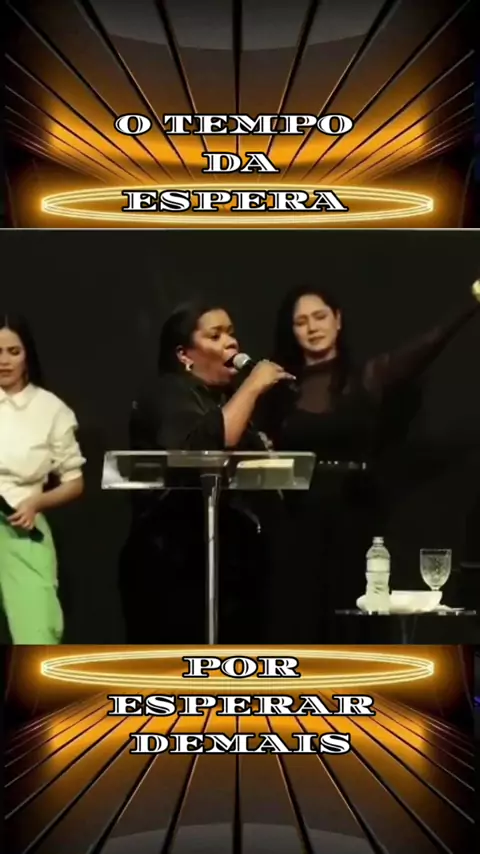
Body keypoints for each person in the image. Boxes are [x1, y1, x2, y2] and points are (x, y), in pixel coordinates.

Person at [266, 282, 480, 642]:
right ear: (292, 331)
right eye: (301, 322)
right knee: (300, 615)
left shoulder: (364, 377)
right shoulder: (279, 387)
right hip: (297, 519)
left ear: (337, 319)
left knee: (351, 614)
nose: (313, 327)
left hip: (353, 513)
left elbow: (426, 346)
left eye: (320, 316)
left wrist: (472, 302)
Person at [119, 300, 293, 643]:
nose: (231, 342)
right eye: (215, 336)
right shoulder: (168, 392)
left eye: (231, 333)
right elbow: (201, 448)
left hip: (229, 566)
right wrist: (253, 385)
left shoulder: (222, 400)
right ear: (184, 354)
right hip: (174, 565)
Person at [0, 314, 85, 644]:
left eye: (13, 351)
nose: (4, 361)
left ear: (27, 355)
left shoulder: (50, 409)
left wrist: (37, 502)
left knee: (36, 632)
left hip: (19, 525)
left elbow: (74, 482)